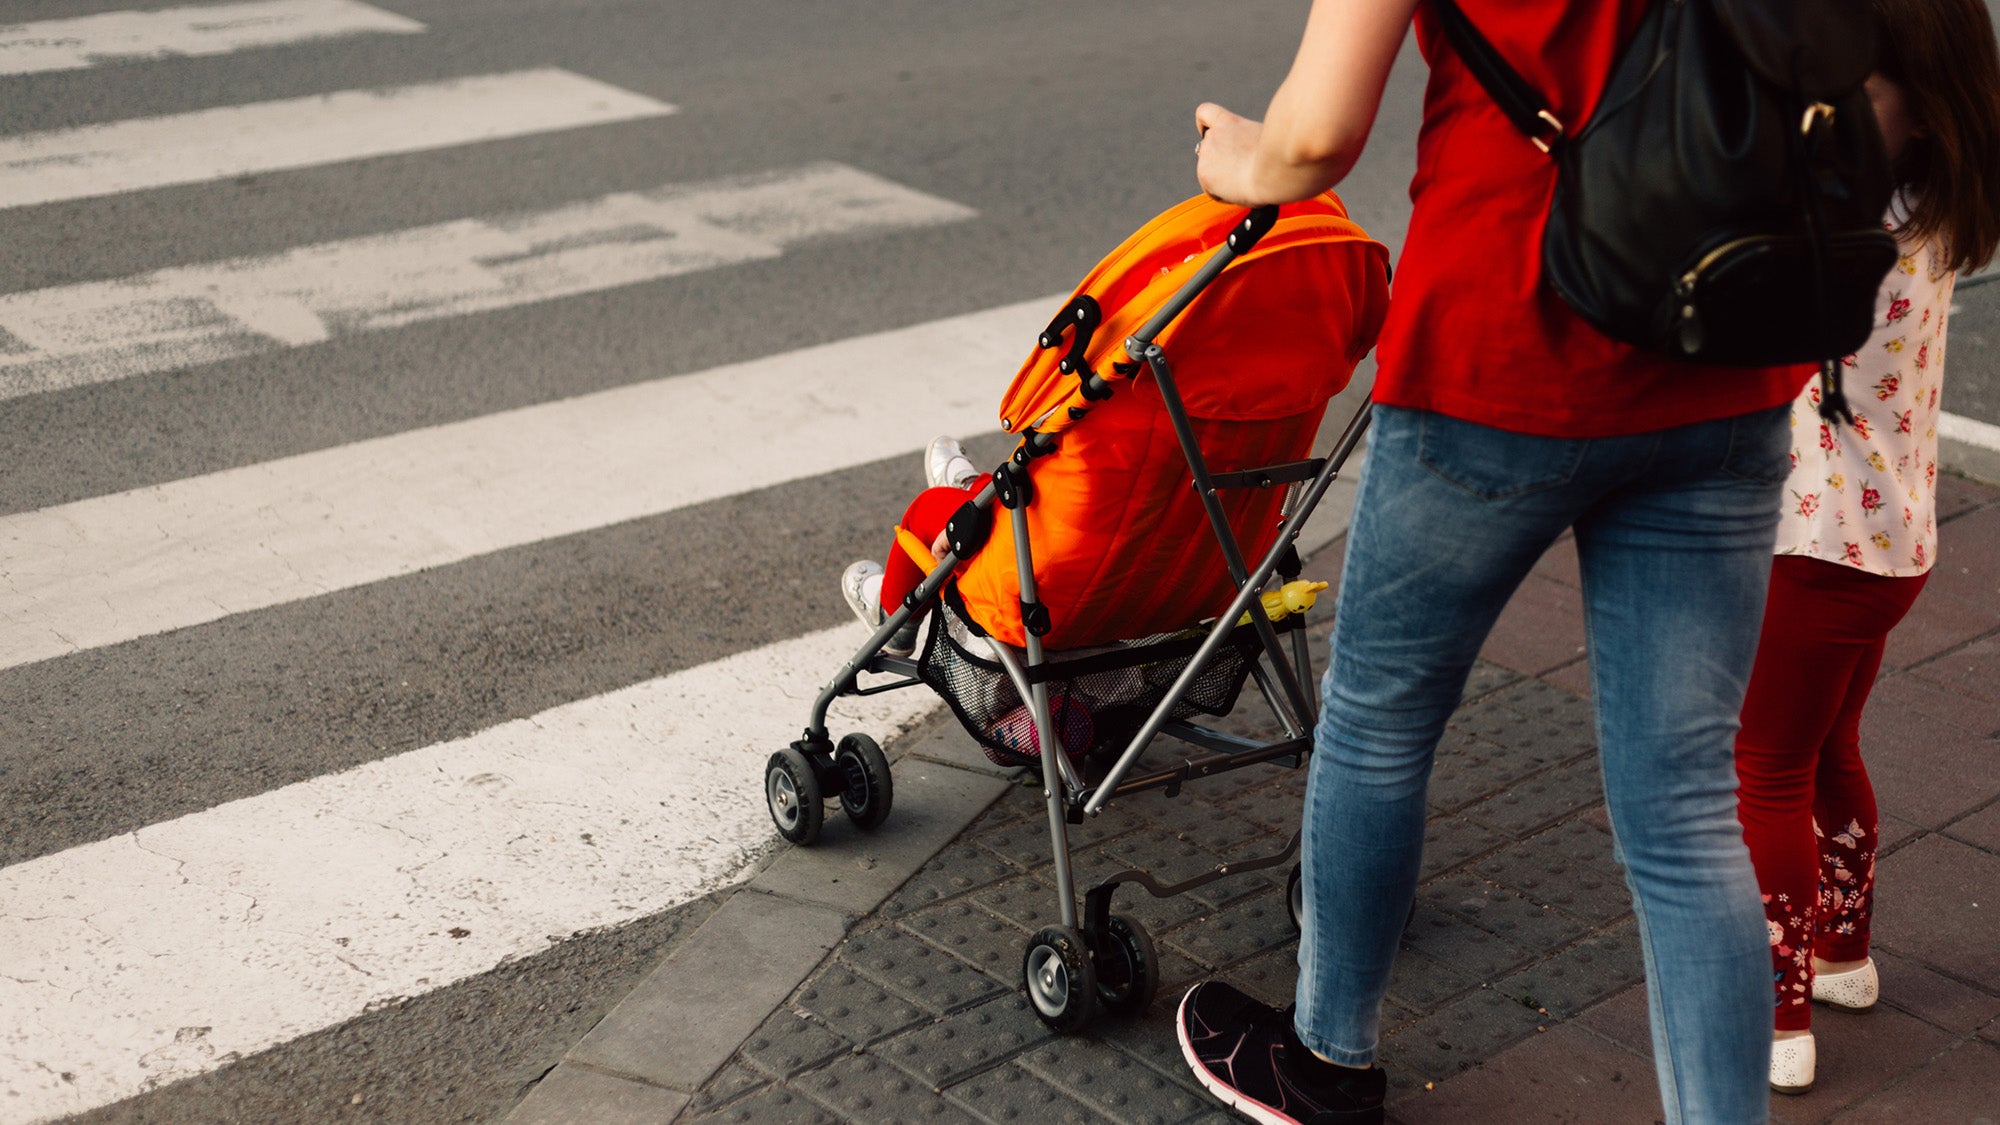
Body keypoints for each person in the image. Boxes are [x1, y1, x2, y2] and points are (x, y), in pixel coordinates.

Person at [1173, 3, 1823, 1122]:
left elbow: (1314, 136)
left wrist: (1235, 153)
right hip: (1722, 347)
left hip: (1501, 348)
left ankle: (1323, 1059)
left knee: (1379, 720)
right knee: (1682, 813)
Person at [1733, 0, 2000, 1096]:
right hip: (1890, 535)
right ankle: (1841, 955)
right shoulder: (1937, 203)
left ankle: (1774, 1013)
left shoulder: (1849, 214)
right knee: (1829, 751)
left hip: (1812, 534)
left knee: (1762, 771)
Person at [839, 435, 983, 655]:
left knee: (926, 509)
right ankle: (975, 491)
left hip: (1020, 578)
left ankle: (892, 615)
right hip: (1053, 607)